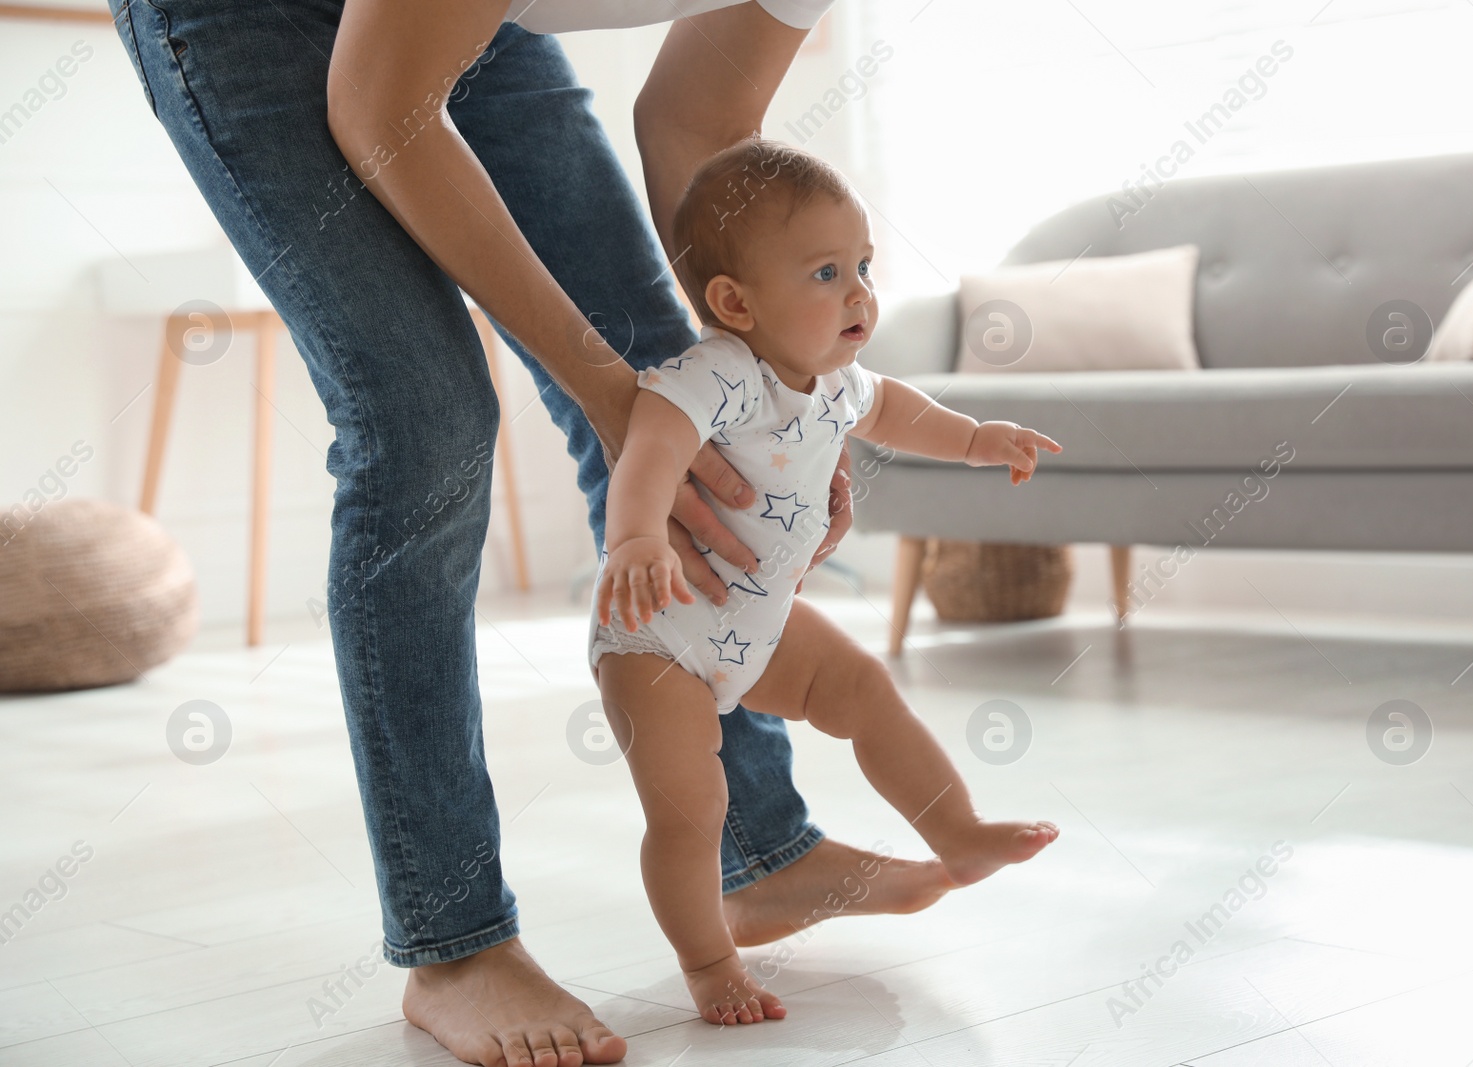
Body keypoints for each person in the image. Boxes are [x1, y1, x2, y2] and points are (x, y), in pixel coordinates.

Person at [110, 1, 954, 1063]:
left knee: (674, 378)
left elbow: (700, 122)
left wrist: (777, 385)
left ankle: (757, 846)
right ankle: (453, 941)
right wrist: (611, 391)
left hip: (467, 22)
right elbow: (381, 106)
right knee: (424, 420)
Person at [589, 137, 1064, 1025]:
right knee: (692, 807)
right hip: (662, 634)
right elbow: (650, 442)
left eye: (863, 266)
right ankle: (708, 960)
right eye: (824, 273)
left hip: (754, 621)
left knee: (864, 687)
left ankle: (956, 832)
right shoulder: (720, 372)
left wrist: (975, 439)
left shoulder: (837, 381)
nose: (858, 293)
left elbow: (897, 410)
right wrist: (634, 539)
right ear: (735, 302)